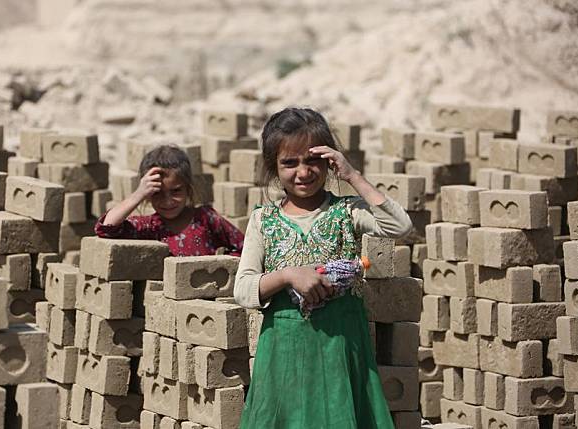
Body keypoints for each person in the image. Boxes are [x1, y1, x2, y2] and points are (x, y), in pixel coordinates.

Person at [234, 107, 413, 428]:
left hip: (340, 348)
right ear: (274, 168)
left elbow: (400, 225)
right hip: (285, 352)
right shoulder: (264, 220)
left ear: (328, 162)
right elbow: (244, 289)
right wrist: (289, 275)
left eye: (312, 160)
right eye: (290, 163)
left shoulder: (347, 212)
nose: (303, 172)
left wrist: (353, 176)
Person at [95, 145, 244, 256]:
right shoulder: (149, 227)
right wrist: (138, 194)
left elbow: (244, 246)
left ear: (188, 188)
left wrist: (223, 267)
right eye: (158, 193)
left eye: (176, 191)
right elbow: (106, 228)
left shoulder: (205, 218)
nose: (168, 201)